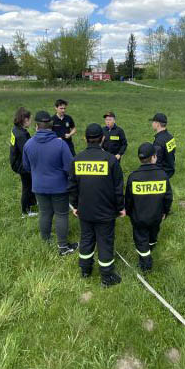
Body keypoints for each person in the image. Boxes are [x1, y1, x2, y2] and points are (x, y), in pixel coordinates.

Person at [68, 123, 125, 287]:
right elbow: (118, 188)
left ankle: (85, 270)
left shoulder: (76, 159)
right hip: (106, 212)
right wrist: (120, 207)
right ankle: (107, 277)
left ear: (85, 139)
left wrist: (75, 206)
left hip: (84, 210)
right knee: (105, 242)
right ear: (103, 139)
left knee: (86, 239)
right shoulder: (111, 160)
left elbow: (72, 186)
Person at [22, 110, 78, 256]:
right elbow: (69, 168)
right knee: (61, 215)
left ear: (36, 126)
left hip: (39, 187)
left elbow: (26, 167)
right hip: (59, 187)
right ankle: (63, 247)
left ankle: (45, 241)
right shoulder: (60, 145)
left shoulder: (28, 144)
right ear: (51, 126)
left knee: (45, 213)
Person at [125, 142, 173, 272]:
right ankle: (150, 248)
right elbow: (168, 197)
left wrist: (129, 212)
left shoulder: (133, 177)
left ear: (139, 159)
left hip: (139, 218)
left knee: (141, 241)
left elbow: (128, 199)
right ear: (154, 157)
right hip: (156, 216)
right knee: (153, 236)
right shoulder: (163, 175)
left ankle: (145, 264)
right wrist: (165, 212)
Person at [9, 107, 37, 217]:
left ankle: (32, 202)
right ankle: (25, 212)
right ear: (24, 120)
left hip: (17, 160)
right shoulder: (21, 135)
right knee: (27, 186)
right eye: (30, 119)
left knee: (30, 182)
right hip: (20, 164)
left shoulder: (17, 129)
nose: (31, 122)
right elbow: (27, 151)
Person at [150, 113, 176, 179]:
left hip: (161, 173)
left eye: (153, 122)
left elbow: (157, 161)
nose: (152, 124)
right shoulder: (170, 137)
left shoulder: (159, 141)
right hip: (169, 169)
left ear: (157, 124)